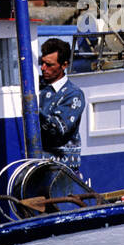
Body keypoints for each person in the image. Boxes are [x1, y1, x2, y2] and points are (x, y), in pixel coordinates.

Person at [37, 37, 85, 171]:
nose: (43, 68)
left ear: (64, 65)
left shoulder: (74, 95)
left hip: (61, 170)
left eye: (49, 65)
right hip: (33, 166)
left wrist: (31, 108)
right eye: (42, 63)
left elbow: (58, 129)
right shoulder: (35, 87)